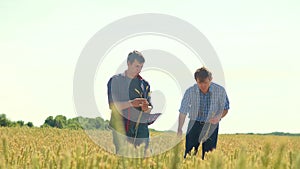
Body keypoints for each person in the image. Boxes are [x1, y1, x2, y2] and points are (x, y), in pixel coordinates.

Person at [177, 67, 230, 159]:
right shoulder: (190, 92)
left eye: (205, 82)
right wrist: (180, 128)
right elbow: (183, 111)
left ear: (210, 80)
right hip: (194, 124)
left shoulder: (220, 91)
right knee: (189, 154)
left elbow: (225, 108)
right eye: (199, 83)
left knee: (209, 156)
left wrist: (218, 117)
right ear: (196, 81)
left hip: (211, 125)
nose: (202, 85)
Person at [107, 50, 153, 155]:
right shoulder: (115, 81)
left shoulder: (144, 84)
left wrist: (147, 108)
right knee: (123, 158)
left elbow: (149, 108)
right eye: (137, 66)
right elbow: (112, 106)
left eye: (141, 67)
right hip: (121, 127)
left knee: (143, 158)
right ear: (128, 63)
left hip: (141, 127)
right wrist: (131, 103)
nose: (139, 70)